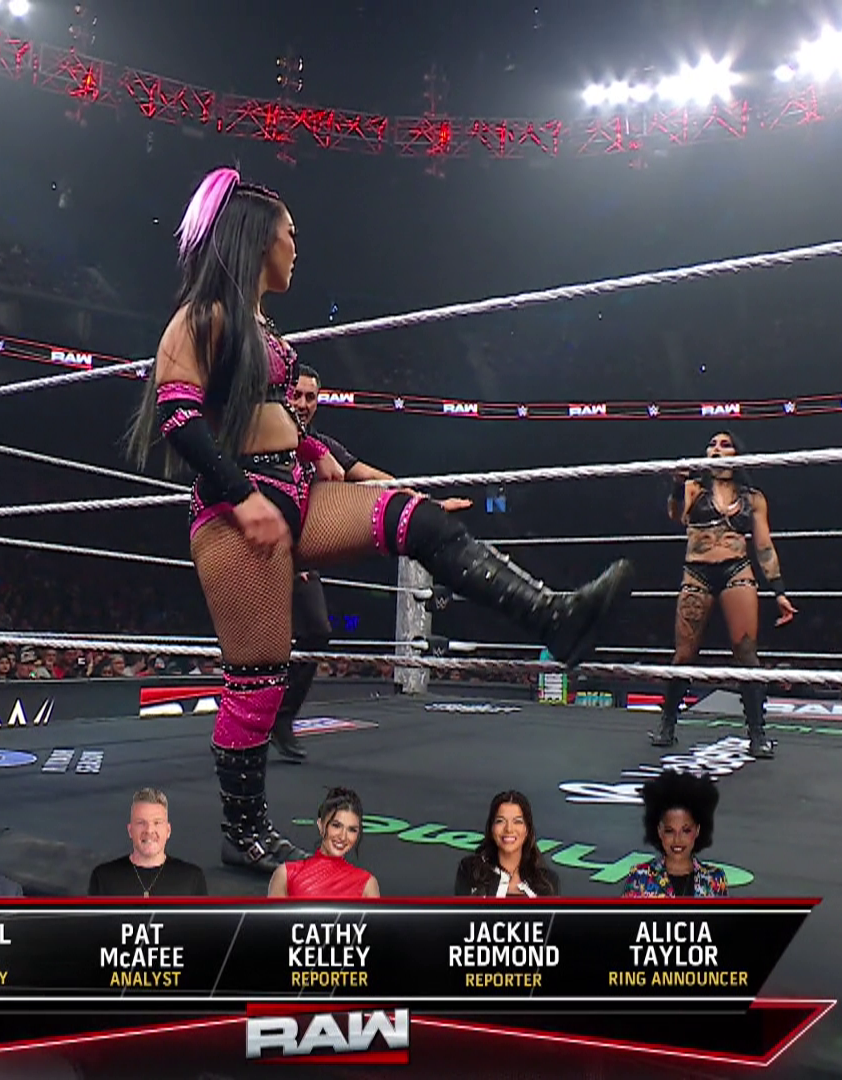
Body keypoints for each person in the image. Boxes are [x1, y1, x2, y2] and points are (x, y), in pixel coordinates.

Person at [126, 167, 635, 871]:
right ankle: (242, 832)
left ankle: (554, 617)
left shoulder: (257, 324)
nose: (297, 247)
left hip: (293, 491)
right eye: (290, 234)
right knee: (257, 681)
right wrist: (242, 496)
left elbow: (258, 412)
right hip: (234, 510)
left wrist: (310, 450)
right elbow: (179, 418)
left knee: (417, 520)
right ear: (258, 239)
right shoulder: (202, 315)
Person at [271, 365, 472, 762]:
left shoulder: (323, 446)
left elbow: (374, 479)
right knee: (262, 644)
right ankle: (244, 726)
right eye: (297, 395)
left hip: (298, 553)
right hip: (257, 546)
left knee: (316, 630)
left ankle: (282, 719)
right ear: (283, 396)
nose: (304, 404)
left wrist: (424, 505)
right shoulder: (265, 438)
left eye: (311, 397)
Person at [650, 432, 797, 758]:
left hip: (736, 570)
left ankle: (757, 734)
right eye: (712, 444)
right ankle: (667, 724)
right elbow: (676, 516)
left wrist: (779, 592)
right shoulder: (693, 488)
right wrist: (676, 484)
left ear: (736, 454)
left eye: (724, 444)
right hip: (697, 572)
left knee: (746, 653)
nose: (716, 449)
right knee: (684, 654)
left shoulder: (753, 498)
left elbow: (764, 546)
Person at [87, 788, 210, 897]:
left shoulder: (192, 878)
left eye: (157, 822)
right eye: (141, 823)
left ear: (168, 831)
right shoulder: (103, 878)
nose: (149, 830)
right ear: (130, 830)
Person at [621, 772, 727, 898]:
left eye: (686, 830)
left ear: (698, 830)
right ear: (659, 831)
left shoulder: (714, 879)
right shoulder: (640, 878)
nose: (677, 840)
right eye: (669, 831)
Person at [268, 787, 379, 898]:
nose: (343, 837)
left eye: (352, 830)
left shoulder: (367, 884)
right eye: (336, 825)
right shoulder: (286, 875)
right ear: (321, 825)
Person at [453, 790, 559, 897]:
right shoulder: (471, 871)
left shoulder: (548, 882)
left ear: (527, 830)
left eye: (517, 821)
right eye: (500, 821)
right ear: (491, 828)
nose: (509, 829)